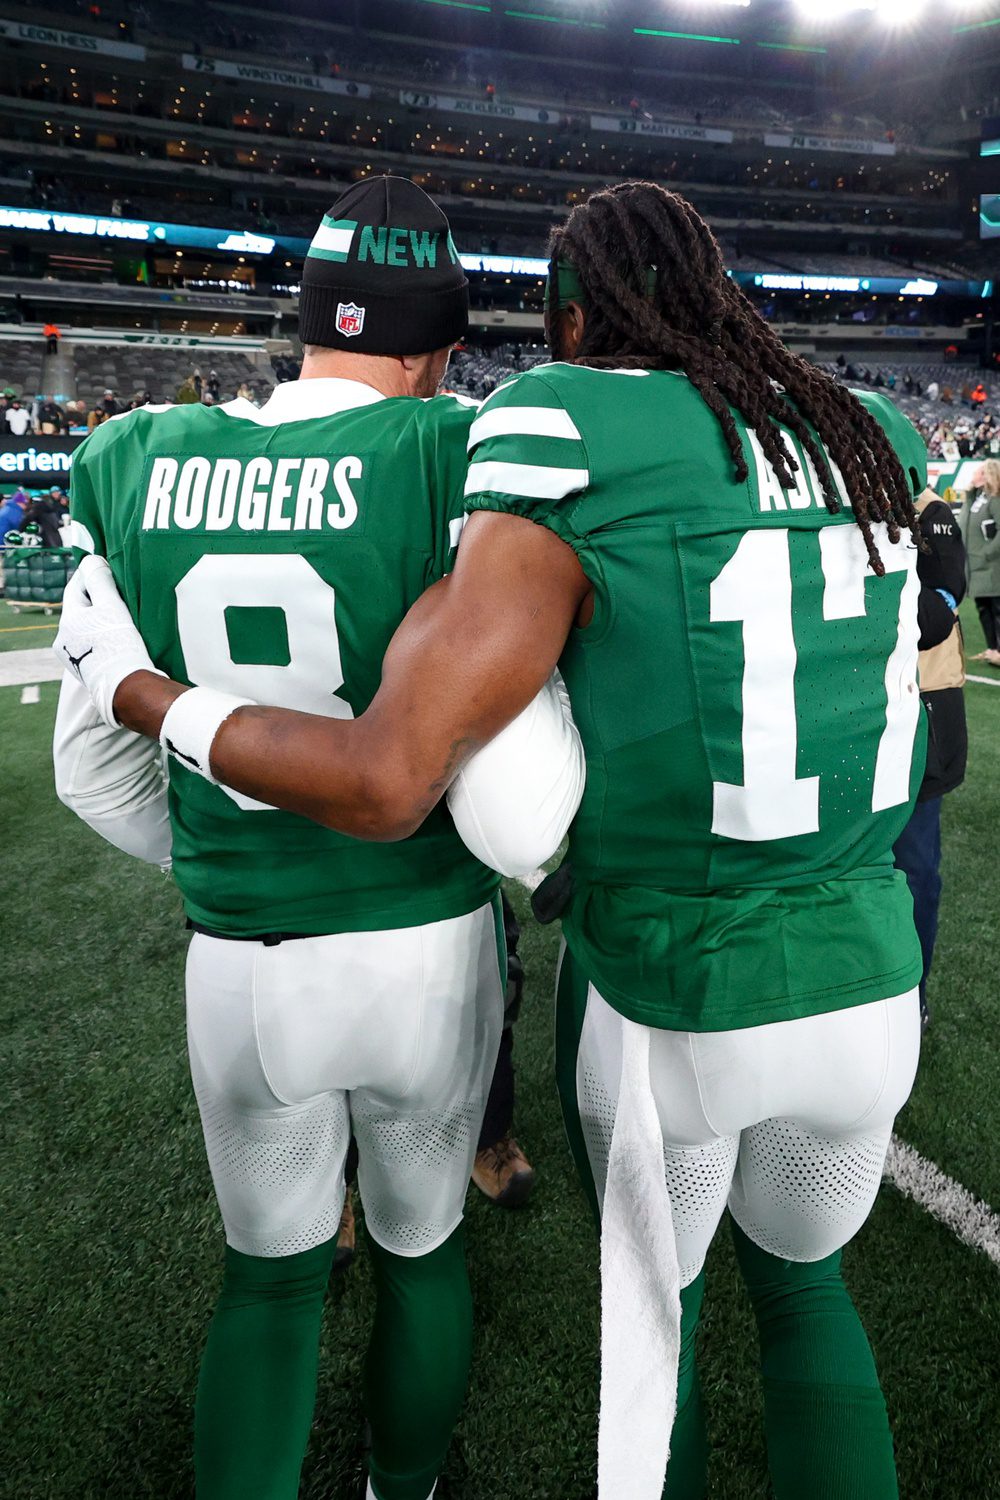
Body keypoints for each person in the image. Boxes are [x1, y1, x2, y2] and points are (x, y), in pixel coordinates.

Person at [60, 182, 933, 1500]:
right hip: (860, 968)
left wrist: (160, 733)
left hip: (639, 989)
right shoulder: (874, 432)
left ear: (573, 310)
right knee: (807, 1303)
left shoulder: (536, 423)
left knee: (641, 1327)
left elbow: (335, 773)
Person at [52, 177, 581, 1500]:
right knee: (422, 1254)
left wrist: (218, 856)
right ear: (444, 346)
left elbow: (84, 771)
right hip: (423, 941)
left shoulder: (136, 455)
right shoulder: (458, 449)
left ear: (304, 324)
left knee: (270, 1284)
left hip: (242, 957)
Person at [893, 490, 967, 1028]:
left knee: (914, 867)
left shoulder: (931, 512)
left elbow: (937, 614)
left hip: (923, 710)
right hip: (845, 710)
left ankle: (911, 995)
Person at [957, 457, 1000, 666]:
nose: (974, 475)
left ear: (986, 475)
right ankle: (992, 649)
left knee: (997, 609)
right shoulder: (977, 498)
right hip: (977, 567)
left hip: (991, 567)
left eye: (978, 472)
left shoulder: (995, 499)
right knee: (984, 610)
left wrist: (987, 553)